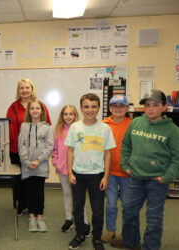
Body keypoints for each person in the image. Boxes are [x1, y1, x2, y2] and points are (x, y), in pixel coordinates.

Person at [111, 90, 179, 250]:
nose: (150, 109)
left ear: (164, 107)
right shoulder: (136, 123)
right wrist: (125, 165)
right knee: (129, 212)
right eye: (147, 105)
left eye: (155, 105)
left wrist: (167, 177)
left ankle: (150, 247)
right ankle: (131, 243)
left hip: (157, 182)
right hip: (135, 178)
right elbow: (126, 146)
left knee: (153, 218)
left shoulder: (173, 130)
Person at [65, 93, 116, 250]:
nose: (90, 110)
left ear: (99, 108)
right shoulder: (75, 127)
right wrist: (70, 173)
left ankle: (96, 238)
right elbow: (70, 151)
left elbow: (108, 154)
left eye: (94, 106)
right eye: (86, 106)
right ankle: (80, 234)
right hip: (78, 174)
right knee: (78, 208)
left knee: (98, 210)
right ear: (81, 108)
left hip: (97, 175)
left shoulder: (104, 128)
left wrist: (106, 177)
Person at [6, 78, 51, 216]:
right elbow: (10, 128)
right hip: (17, 149)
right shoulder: (13, 107)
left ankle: (34, 208)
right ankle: (22, 205)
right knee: (20, 180)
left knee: (35, 181)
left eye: (27, 87)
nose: (24, 90)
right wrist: (17, 149)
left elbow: (47, 124)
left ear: (32, 89)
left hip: (37, 151)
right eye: (22, 88)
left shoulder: (40, 105)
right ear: (18, 91)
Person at [52, 105, 90, 235]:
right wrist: (56, 162)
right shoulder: (58, 130)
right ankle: (69, 219)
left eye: (71, 114)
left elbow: (83, 148)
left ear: (75, 116)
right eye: (66, 114)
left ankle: (85, 222)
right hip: (62, 169)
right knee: (67, 194)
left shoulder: (80, 129)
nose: (68, 116)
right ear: (62, 116)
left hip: (77, 169)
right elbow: (55, 149)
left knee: (79, 197)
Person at [18, 100, 53, 232]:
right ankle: (32, 218)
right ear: (29, 111)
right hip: (27, 166)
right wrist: (26, 162)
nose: (34, 110)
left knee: (39, 192)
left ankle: (40, 217)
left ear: (42, 111)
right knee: (30, 192)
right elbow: (21, 145)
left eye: (37, 108)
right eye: (32, 108)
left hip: (41, 165)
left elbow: (49, 147)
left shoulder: (48, 127)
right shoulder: (24, 126)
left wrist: (38, 161)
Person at [101, 95, 132, 243]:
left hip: (128, 173)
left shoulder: (133, 125)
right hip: (109, 172)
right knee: (111, 203)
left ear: (127, 108)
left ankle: (127, 232)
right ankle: (110, 230)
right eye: (115, 105)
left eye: (122, 105)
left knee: (127, 204)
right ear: (110, 108)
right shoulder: (103, 124)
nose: (118, 108)